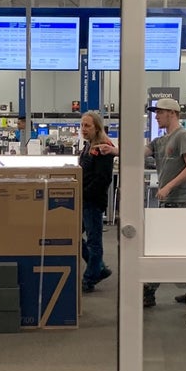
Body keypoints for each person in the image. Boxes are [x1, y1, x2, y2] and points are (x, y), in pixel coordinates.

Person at [143, 97, 186, 308]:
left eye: (159, 112)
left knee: (162, 247)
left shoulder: (182, 136)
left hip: (178, 201)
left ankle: (149, 291)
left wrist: (168, 186)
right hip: (168, 202)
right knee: (177, 248)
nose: (156, 117)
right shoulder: (160, 141)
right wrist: (111, 150)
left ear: (172, 113)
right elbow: (139, 153)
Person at [79, 109, 116, 292]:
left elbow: (103, 178)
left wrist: (85, 193)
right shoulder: (88, 145)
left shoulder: (103, 147)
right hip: (83, 200)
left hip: (93, 201)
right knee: (73, 236)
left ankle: (90, 278)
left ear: (97, 128)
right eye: (82, 125)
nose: (83, 129)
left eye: (87, 126)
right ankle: (99, 268)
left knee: (94, 241)